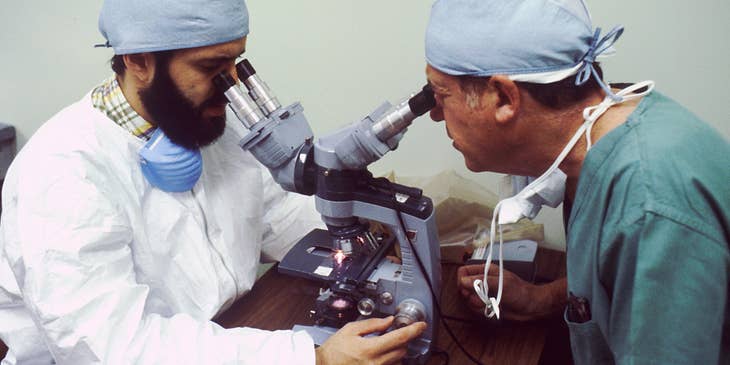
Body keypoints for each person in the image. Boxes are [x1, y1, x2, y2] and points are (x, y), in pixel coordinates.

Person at [0, 0, 425, 364]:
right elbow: (112, 347)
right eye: (211, 68)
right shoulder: (62, 172)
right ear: (138, 60)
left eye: (235, 63)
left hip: (232, 332)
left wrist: (371, 242)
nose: (230, 85)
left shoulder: (202, 121)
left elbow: (278, 214)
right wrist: (310, 356)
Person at [424, 0, 729, 364]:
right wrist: (542, 300)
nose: (434, 114)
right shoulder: (603, 132)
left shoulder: (649, 204)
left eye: (441, 94)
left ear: (505, 97)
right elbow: (627, 282)